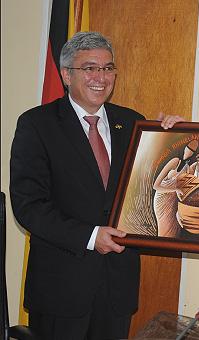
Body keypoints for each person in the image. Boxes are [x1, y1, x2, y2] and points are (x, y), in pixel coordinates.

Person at [9, 31, 183, 339]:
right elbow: (29, 207)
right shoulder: (37, 125)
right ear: (66, 74)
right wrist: (90, 237)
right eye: (89, 68)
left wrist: (173, 140)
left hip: (116, 289)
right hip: (61, 291)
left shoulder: (133, 123)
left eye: (107, 68)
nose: (100, 77)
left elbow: (152, 190)